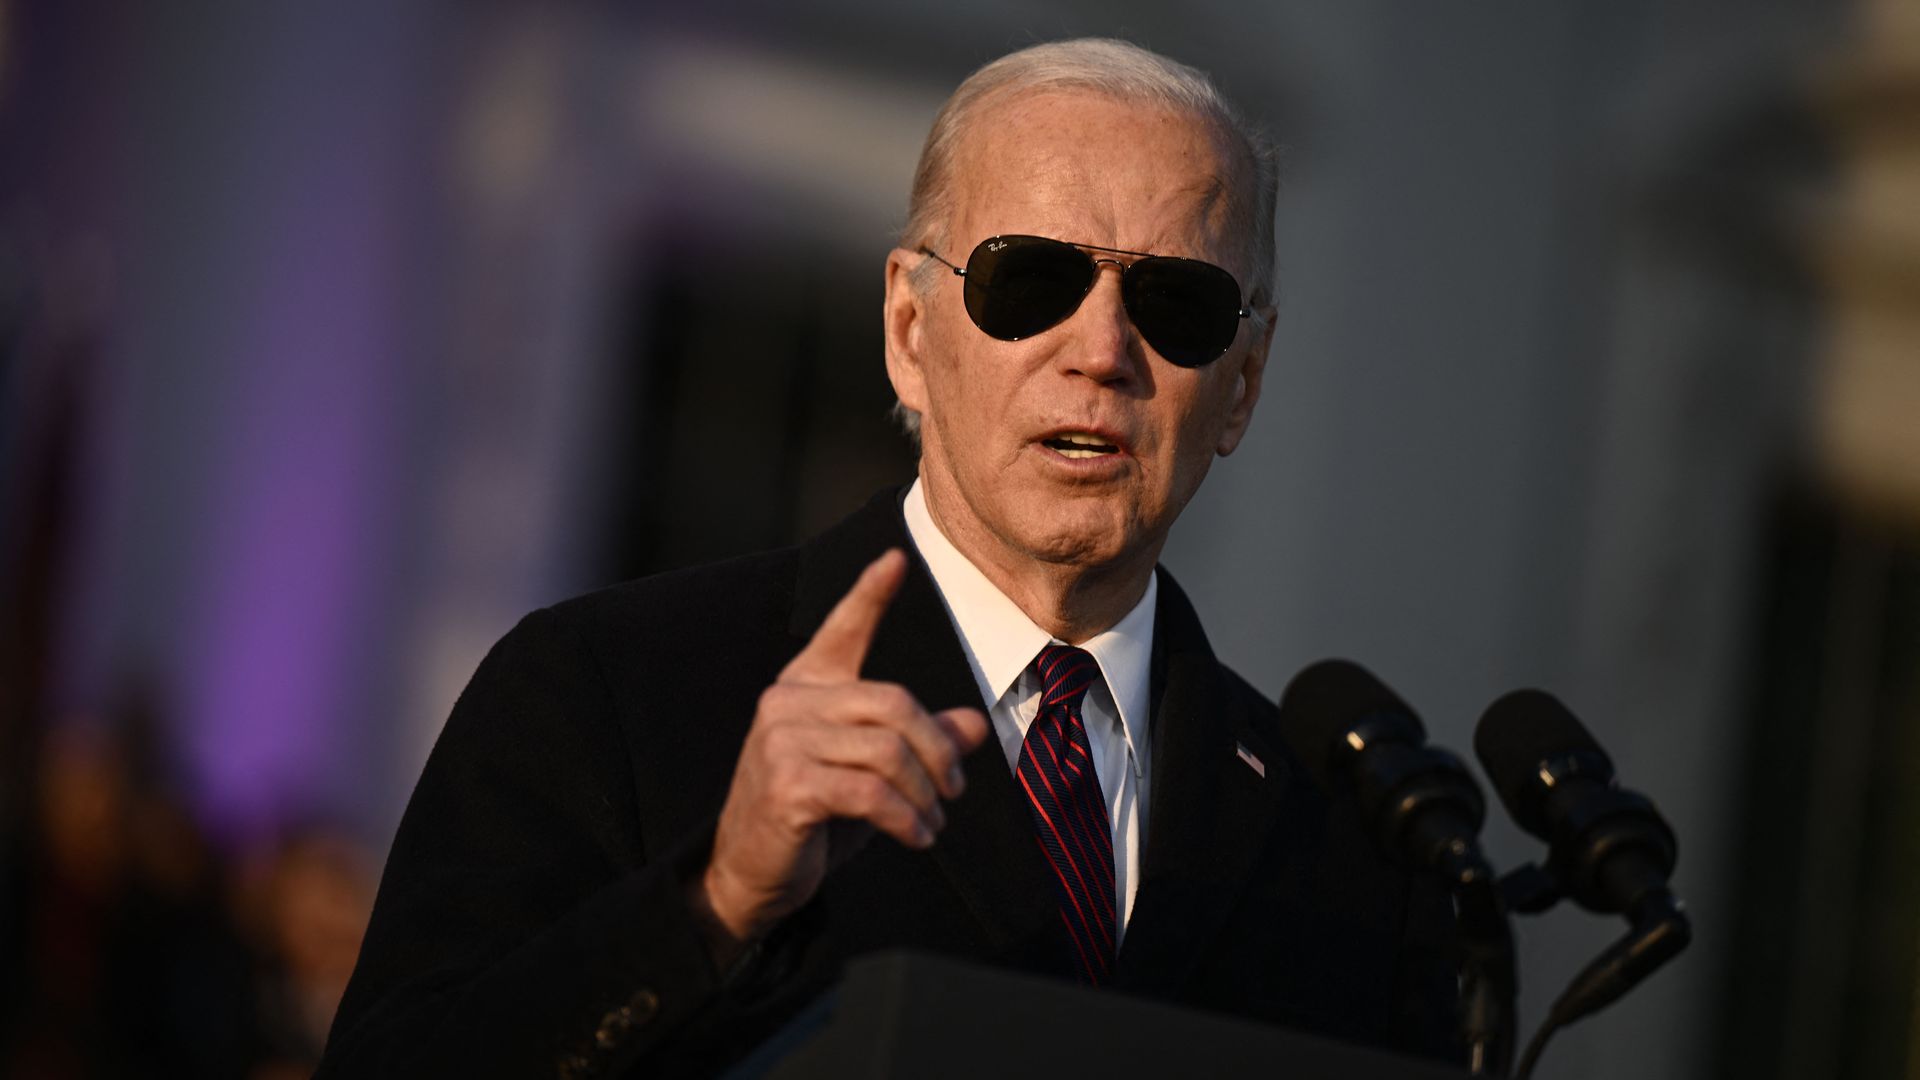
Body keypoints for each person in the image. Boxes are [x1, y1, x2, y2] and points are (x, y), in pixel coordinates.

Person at [319, 38, 1460, 1079]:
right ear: (911, 335)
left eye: (1178, 301)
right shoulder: (607, 690)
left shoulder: (1351, 847)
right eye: (1031, 281)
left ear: (1243, 386)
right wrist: (712, 906)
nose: (1103, 351)